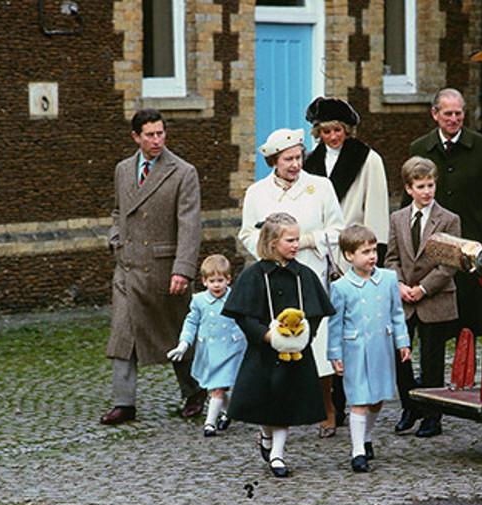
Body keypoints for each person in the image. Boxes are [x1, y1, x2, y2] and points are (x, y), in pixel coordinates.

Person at [238, 128, 345, 439]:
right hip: (271, 280)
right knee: (274, 343)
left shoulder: (321, 187)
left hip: (309, 273)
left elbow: (338, 229)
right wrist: (268, 253)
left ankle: (327, 408)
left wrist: (310, 240)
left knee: (315, 341)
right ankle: (271, 415)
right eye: (288, 159)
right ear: (274, 160)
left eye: (299, 157)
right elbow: (247, 233)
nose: (296, 164)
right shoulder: (256, 193)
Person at [101, 108, 205, 425]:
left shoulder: (183, 172)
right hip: (128, 267)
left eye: (161, 133)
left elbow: (190, 225)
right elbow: (120, 210)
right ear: (136, 136)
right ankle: (124, 403)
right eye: (150, 135)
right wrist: (115, 237)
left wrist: (183, 269)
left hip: (164, 269)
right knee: (123, 334)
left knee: (176, 333)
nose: (157, 140)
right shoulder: (123, 169)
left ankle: (194, 392)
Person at [222, 213, 335, 478]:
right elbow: (243, 315)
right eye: (290, 240)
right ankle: (265, 435)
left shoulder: (304, 275)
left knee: (285, 404)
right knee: (264, 404)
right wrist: (266, 336)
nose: (297, 244)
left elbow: (316, 313)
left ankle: (277, 455)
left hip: (295, 356)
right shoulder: (254, 275)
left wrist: (304, 337)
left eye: (297, 239)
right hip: (262, 352)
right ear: (273, 242)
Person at [303, 96, 390, 427]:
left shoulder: (368, 160)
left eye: (337, 130)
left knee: (354, 330)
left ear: (348, 130)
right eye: (325, 131)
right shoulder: (311, 163)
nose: (332, 137)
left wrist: (372, 255)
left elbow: (377, 209)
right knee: (327, 331)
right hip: (322, 255)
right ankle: (329, 406)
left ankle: (355, 401)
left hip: (354, 252)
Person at [406, 88, 482, 338]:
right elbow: (407, 197)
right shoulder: (419, 148)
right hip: (432, 250)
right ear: (435, 114)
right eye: (448, 114)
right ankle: (434, 376)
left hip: (472, 246)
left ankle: (471, 377)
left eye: (458, 114)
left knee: (475, 324)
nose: (453, 119)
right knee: (435, 326)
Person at [385, 156, 460, 438]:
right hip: (403, 298)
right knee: (399, 356)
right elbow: (391, 257)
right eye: (420, 186)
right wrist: (400, 285)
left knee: (432, 358)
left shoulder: (449, 220)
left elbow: (450, 264)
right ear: (408, 188)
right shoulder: (397, 219)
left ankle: (432, 416)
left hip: (434, 297)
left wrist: (424, 288)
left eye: (430, 185)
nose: (427, 191)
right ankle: (410, 406)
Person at [327, 225, 410, 472]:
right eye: (365, 252)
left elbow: (396, 313)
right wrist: (335, 354)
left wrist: (402, 342)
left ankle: (366, 435)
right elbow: (335, 324)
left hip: (381, 348)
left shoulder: (388, 279)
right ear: (349, 256)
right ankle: (357, 452)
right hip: (355, 350)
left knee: (377, 400)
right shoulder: (341, 287)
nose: (372, 256)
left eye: (374, 250)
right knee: (358, 400)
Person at [167, 254, 247, 437]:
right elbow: (191, 322)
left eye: (220, 280)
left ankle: (210, 423)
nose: (216, 285)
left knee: (218, 388)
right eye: (212, 281)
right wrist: (183, 344)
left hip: (231, 349)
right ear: (204, 281)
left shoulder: (235, 298)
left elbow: (246, 319)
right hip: (209, 352)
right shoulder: (199, 301)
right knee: (215, 387)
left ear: (228, 279)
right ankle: (228, 413)